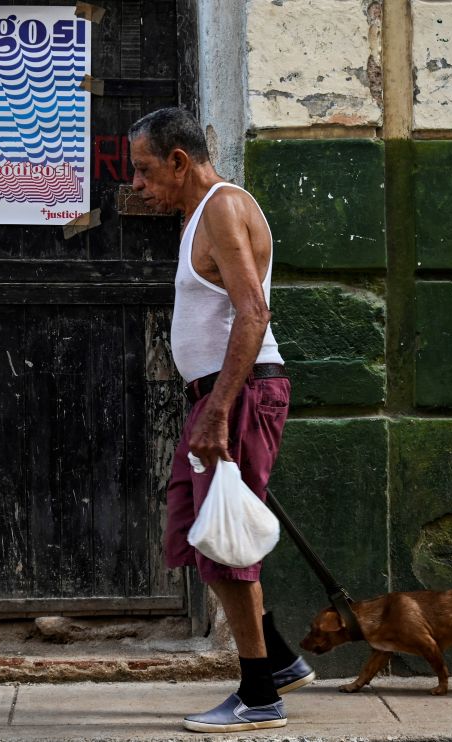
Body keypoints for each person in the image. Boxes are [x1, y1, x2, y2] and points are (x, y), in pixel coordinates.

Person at [127, 107, 315, 733]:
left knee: (226, 542)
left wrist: (219, 409)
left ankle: (260, 695)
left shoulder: (222, 207)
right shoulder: (198, 216)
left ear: (179, 161)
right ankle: (281, 661)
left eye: (145, 170)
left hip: (236, 393)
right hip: (217, 395)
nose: (137, 184)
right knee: (201, 527)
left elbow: (252, 313)